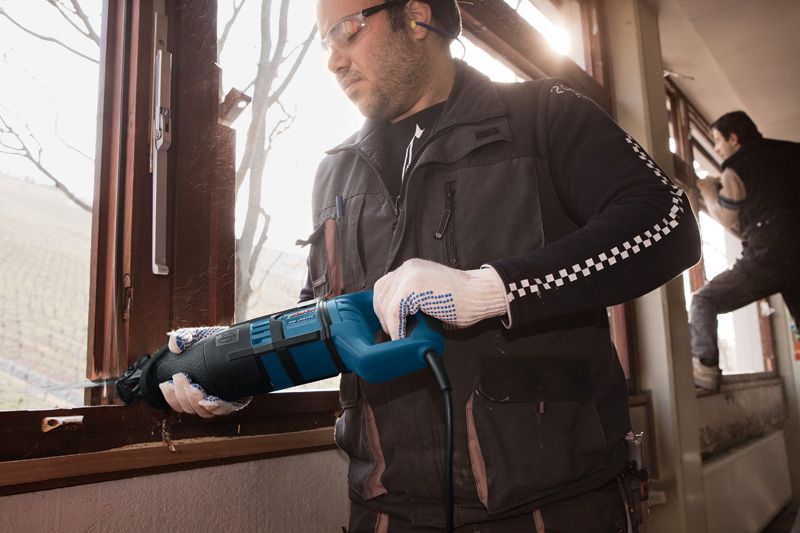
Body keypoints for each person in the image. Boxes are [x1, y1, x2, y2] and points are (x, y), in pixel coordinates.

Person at [162, 1, 701, 530]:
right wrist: (233, 360)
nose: (333, 61)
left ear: (417, 16)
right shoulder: (335, 173)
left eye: (347, 31)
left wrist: (492, 289)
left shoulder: (545, 116)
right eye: (326, 43)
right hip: (386, 513)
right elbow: (327, 321)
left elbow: (669, 223)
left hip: (554, 509)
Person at [691, 111, 800, 391]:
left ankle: (705, 368)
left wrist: (708, 191)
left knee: (704, 300)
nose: (716, 148)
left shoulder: (737, 167)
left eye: (717, 140)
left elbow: (726, 217)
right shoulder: (791, 152)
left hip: (769, 257)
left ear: (734, 138)